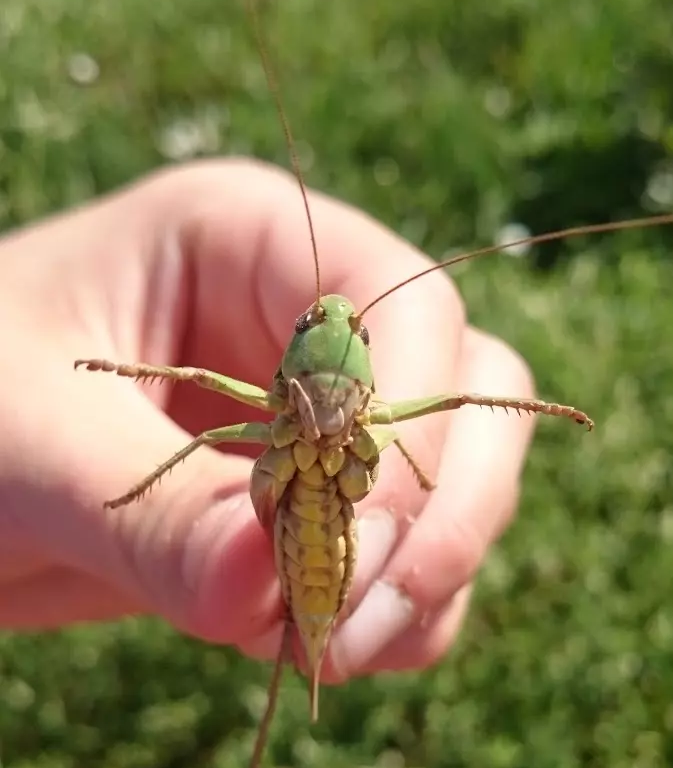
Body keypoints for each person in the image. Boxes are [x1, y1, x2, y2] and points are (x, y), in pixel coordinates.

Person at [0, 159, 535, 682]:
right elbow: (198, 379)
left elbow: (428, 414)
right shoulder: (281, 408)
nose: (337, 328)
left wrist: (421, 473)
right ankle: (146, 495)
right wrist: (129, 386)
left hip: (331, 532)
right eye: (311, 322)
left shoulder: (377, 416)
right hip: (289, 530)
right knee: (211, 424)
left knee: (443, 409)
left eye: (359, 335)